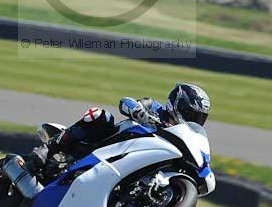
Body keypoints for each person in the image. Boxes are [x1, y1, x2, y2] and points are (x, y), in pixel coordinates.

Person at [26, 83, 213, 194]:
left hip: (129, 163)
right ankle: (47, 149)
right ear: (179, 104)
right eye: (192, 114)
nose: (194, 120)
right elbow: (126, 101)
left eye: (199, 117)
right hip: (110, 143)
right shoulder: (155, 108)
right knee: (99, 115)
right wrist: (140, 112)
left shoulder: (181, 137)